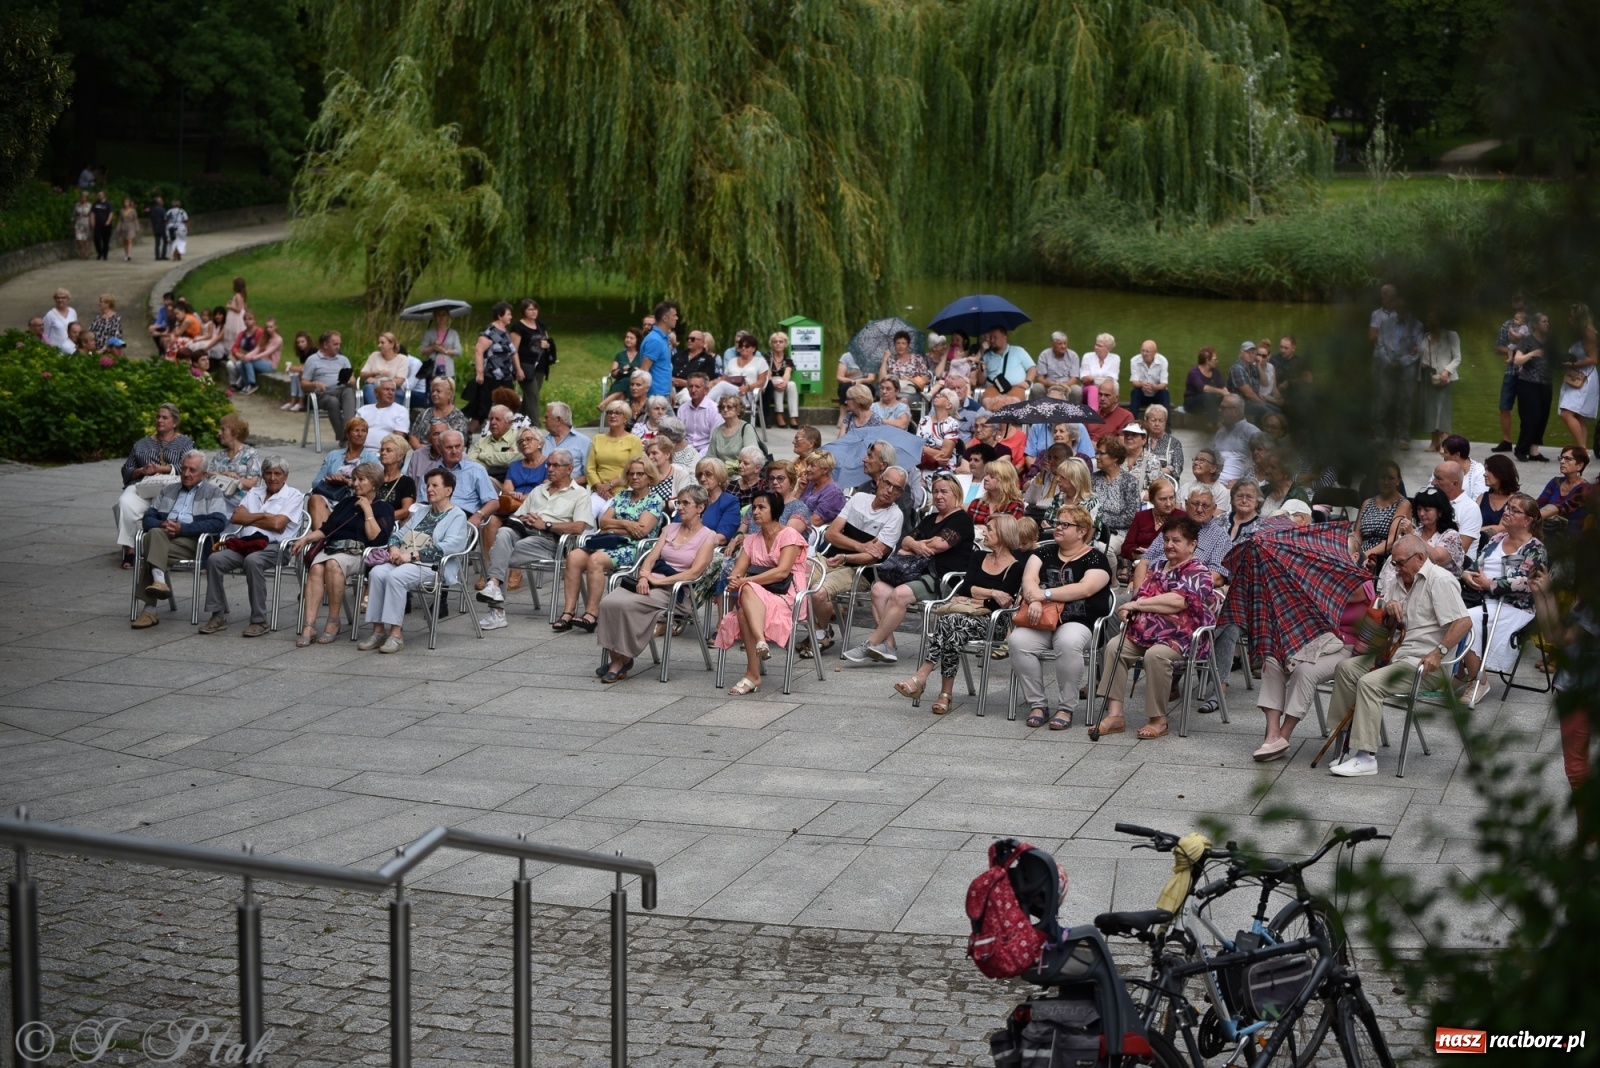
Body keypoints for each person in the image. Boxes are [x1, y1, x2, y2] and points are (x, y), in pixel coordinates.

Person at [1327, 534, 1471, 777]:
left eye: (1400, 563)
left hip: (1425, 665)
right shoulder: (1397, 579)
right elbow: (1385, 625)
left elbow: (1463, 622)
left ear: (1420, 558)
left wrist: (1439, 653)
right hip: (1395, 656)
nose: (1396, 568)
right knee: (1346, 668)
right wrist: (1389, 609)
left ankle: (1365, 756)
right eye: (1394, 562)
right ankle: (1343, 739)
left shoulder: (1440, 580)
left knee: (1369, 683)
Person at [1094, 515, 1216, 739]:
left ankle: (1158, 719)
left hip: (1182, 638)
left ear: (1192, 545)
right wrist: (1128, 610)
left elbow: (1178, 601)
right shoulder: (1159, 566)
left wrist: (1138, 604)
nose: (1169, 545)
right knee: (1113, 647)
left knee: (1156, 656)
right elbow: (1142, 595)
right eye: (1166, 540)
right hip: (1145, 633)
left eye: (1176, 541)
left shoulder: (1199, 572)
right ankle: (1115, 715)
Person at [893, 514, 1026, 714]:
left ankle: (923, 678)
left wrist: (979, 597)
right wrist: (991, 593)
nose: (984, 532)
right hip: (964, 619)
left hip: (994, 623)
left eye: (989, 529)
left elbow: (1002, 603)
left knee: (949, 622)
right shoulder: (978, 556)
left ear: (1004, 534)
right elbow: (967, 588)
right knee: (953, 631)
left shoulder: (1016, 567)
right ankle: (944, 695)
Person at [593, 485, 721, 680]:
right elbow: (651, 558)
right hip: (651, 582)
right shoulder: (670, 529)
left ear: (700, 508)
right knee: (608, 603)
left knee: (626, 605)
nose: (680, 507)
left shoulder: (708, 536)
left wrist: (659, 581)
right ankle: (619, 657)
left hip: (677, 590)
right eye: (679, 502)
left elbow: (694, 572)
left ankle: (620, 661)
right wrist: (644, 576)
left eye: (686, 503)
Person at [845, 473, 975, 664]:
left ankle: (871, 643)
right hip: (916, 573)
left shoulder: (961, 519)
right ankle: (888, 645)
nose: (938, 496)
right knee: (878, 589)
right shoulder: (930, 518)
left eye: (944, 492)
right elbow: (905, 541)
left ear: (956, 493)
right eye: (935, 491)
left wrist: (914, 546)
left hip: (942, 579)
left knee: (899, 594)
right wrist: (916, 546)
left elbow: (939, 545)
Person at [1012, 506, 1115, 729]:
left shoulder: (1096, 558)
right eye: (1058, 522)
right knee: (1018, 641)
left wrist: (1045, 594)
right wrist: (1036, 599)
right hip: (1042, 619)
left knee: (1067, 642)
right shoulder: (1042, 553)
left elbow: (1085, 589)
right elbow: (1029, 580)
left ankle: (1066, 707)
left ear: (1082, 531)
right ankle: (1037, 704)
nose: (1058, 527)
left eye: (1065, 524)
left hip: (1080, 620)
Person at [1253, 582, 1375, 761]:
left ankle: (1284, 737)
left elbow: (1337, 596)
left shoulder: (1361, 583)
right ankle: (1273, 734)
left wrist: (1307, 584)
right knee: (1272, 661)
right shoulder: (1313, 577)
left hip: (1347, 647)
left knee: (1304, 671)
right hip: (1315, 642)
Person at [356, 469, 471, 654]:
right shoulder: (423, 510)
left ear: (448, 490)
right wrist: (393, 548)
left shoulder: (457, 515)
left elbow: (449, 547)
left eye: (435, 485)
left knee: (396, 577)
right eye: (428, 485)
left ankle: (396, 635)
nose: (430, 489)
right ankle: (378, 631)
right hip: (405, 559)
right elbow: (399, 533)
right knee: (377, 573)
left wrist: (413, 556)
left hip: (433, 565)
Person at [475, 450, 595, 628]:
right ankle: (493, 585)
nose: (550, 469)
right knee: (503, 533)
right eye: (549, 464)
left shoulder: (580, 494)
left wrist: (545, 525)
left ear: (569, 469)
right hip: (525, 532)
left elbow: (579, 527)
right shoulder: (539, 490)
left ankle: (496, 610)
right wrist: (526, 520)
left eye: (556, 465)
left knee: (497, 553)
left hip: (552, 541)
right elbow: (518, 516)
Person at [1455, 493, 1547, 705]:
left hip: (1516, 606)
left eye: (1515, 510)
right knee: (1455, 615)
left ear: (1528, 520)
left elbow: (1528, 583)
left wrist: (1491, 584)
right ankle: (1462, 675)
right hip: (1484, 600)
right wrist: (1467, 575)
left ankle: (1479, 681)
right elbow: (1476, 565)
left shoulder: (1534, 549)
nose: (1507, 512)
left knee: (1466, 620)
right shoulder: (1496, 539)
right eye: (1508, 507)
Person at [715, 491, 812, 694]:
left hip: (788, 596)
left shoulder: (789, 535)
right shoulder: (751, 540)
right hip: (759, 596)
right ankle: (756, 660)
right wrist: (735, 580)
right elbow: (736, 573)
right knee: (744, 604)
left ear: (774, 510)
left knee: (747, 592)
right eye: (754, 507)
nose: (755, 512)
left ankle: (753, 672)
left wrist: (746, 580)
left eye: (761, 507)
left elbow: (782, 571)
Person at [199, 458, 305, 637]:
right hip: (245, 544)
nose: (272, 478)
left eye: (277, 474)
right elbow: (236, 518)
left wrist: (252, 517)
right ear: (263, 475)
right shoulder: (254, 492)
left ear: (285, 476)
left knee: (253, 561)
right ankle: (217, 615)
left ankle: (259, 620)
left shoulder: (294, 495)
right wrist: (265, 517)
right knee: (215, 559)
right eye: (268, 473)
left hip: (275, 547)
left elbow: (279, 523)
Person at [556, 459, 663, 632]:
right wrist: (627, 524)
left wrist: (614, 527)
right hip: (610, 542)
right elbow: (603, 522)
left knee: (596, 560)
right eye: (631, 473)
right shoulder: (621, 496)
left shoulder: (654, 500)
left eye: (640, 473)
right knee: (573, 557)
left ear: (649, 477)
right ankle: (568, 612)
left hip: (636, 548)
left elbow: (641, 532)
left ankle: (591, 614)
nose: (635, 477)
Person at [808, 469, 908, 649]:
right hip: (830, 557)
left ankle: (821, 632)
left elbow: (872, 556)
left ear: (900, 493)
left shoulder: (895, 516)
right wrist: (860, 545)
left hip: (859, 571)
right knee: (797, 579)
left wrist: (846, 555)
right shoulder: (858, 499)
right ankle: (822, 631)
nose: (889, 490)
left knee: (818, 592)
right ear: (879, 480)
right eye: (887, 483)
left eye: (896, 488)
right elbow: (830, 535)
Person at [129, 452, 231, 629]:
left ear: (204, 474)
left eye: (192, 470)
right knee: (154, 534)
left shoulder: (213, 492)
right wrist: (163, 523)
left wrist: (183, 528)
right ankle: (158, 582)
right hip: (164, 537)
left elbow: (218, 523)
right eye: (184, 468)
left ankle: (149, 609)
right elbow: (147, 518)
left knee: (152, 547)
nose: (186, 473)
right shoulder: (169, 489)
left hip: (194, 542)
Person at [115, 403, 196, 568]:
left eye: (165, 417)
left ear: (174, 423)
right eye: (158, 417)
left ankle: (167, 550)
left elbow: (192, 466)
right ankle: (129, 550)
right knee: (123, 504)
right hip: (143, 486)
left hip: (172, 490)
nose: (160, 420)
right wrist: (141, 470)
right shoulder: (142, 444)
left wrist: (163, 469)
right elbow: (126, 470)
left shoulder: (185, 443)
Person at [1377, 487, 1463, 592]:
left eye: (1427, 510)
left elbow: (1437, 559)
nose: (1421, 513)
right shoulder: (1417, 531)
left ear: (1440, 512)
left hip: (1439, 589)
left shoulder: (1451, 535)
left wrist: (1413, 534)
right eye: (1419, 509)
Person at [1373, 296, 1423, 448]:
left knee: (1405, 404)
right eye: (1398, 308)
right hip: (1387, 370)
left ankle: (1404, 438)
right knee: (1384, 402)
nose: (1400, 311)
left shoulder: (1417, 325)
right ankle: (1382, 436)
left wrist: (1400, 363)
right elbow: (1380, 345)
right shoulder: (1386, 324)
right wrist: (1388, 362)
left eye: (1404, 308)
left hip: (1406, 372)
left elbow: (1418, 350)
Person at [466, 302, 521, 431]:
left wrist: (518, 369)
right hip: (492, 375)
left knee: (509, 404)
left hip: (506, 375)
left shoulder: (505, 332)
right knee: (483, 408)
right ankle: (467, 433)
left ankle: (506, 432)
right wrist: (479, 372)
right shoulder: (489, 331)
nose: (511, 317)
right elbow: (479, 350)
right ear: (500, 315)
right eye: (508, 314)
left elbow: (513, 351)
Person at [1512, 311, 1555, 463]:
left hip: (1546, 384)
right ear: (1535, 324)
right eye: (1544, 321)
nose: (1547, 324)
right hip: (1528, 384)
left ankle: (1534, 451)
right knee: (1531, 417)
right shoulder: (1527, 340)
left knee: (1543, 417)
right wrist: (1532, 354)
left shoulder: (1550, 342)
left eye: (1548, 321)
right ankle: (1521, 449)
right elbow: (1517, 360)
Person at [301, 331, 357, 444]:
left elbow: (353, 380)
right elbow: (303, 384)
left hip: (340, 390)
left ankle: (349, 433)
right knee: (332, 401)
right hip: (322, 395)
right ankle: (344, 438)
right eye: (335, 344)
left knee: (349, 391)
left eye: (339, 344)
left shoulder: (343, 360)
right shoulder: (313, 360)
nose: (338, 347)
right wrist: (315, 384)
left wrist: (349, 381)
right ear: (326, 345)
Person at [1492, 294, 1530, 453]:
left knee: (1527, 408)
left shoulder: (1533, 325)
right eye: (1515, 309)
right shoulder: (1508, 324)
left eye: (1520, 309)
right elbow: (1497, 347)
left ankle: (1526, 440)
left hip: (1528, 372)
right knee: (1504, 405)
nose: (1517, 312)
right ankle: (1506, 439)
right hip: (1511, 370)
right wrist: (1509, 351)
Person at [1558, 303, 1598, 448]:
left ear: (1579, 317)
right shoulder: (1577, 334)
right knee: (1578, 416)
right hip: (1575, 376)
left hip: (1585, 377)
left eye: (1572, 316)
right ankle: (1582, 448)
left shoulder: (1588, 333)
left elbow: (1593, 359)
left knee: (1566, 413)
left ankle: (1581, 450)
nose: (1569, 319)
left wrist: (1573, 365)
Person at [1417, 322, 1462, 453]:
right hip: (1427, 374)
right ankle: (1434, 442)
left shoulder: (1451, 335)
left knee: (1443, 408)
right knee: (1430, 408)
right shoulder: (1425, 336)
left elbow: (1457, 358)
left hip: (1443, 375)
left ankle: (1445, 442)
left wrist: (1447, 371)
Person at [206, 414, 261, 511]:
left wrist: (233, 480)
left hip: (240, 504)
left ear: (236, 433)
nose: (219, 433)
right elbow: (207, 476)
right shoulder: (220, 455)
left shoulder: (250, 454)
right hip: (216, 500)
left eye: (223, 430)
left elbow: (252, 483)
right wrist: (225, 475)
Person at [510, 298, 553, 421]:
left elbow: (547, 341)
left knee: (530, 396)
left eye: (535, 309)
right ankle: (536, 426)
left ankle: (517, 419)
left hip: (540, 365)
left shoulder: (540, 325)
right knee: (533, 396)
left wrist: (547, 345)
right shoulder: (518, 327)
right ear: (524, 311)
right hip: (525, 365)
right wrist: (518, 369)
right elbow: (514, 350)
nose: (533, 312)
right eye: (530, 309)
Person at [1121, 478, 1181, 567]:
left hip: (1169, 566)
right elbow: (1126, 547)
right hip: (1140, 565)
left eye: (1171, 498)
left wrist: (1152, 554)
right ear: (1152, 500)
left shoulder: (1181, 518)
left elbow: (1185, 549)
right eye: (1163, 499)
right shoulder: (1141, 516)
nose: (1169, 503)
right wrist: (1136, 553)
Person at [1090, 438, 1139, 544]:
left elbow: (1131, 517)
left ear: (1115, 457)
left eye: (1102, 454)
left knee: (1102, 548)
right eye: (1096, 453)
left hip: (1119, 532)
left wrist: (1099, 519)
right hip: (1092, 530)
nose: (1097, 457)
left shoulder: (1129, 481)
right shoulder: (1092, 479)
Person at [1536, 445, 1591, 536]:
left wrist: (1528, 519)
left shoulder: (1585, 489)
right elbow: (1540, 503)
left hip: (1571, 535)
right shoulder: (1555, 482)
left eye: (1568, 459)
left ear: (1580, 466)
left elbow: (1560, 509)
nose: (1562, 462)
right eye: (1561, 458)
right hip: (1548, 526)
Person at [978, 327, 1033, 411]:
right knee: (987, 403)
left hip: (1016, 387)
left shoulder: (1018, 351)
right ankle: (992, 422)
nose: (992, 340)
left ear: (1004, 338)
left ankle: (1008, 422)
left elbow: (1032, 368)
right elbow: (980, 381)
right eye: (991, 337)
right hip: (993, 387)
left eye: (995, 337)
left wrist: (1028, 381)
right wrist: (981, 367)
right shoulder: (986, 356)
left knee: (1012, 404)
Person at [408, 376, 471, 450]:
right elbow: (413, 436)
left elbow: (460, 443)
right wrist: (420, 449)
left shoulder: (458, 416)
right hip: (424, 455)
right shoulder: (424, 414)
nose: (434, 394)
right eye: (433, 391)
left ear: (449, 394)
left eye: (438, 391)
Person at [1211, 395, 1260, 487]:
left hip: (1236, 486)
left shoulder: (1251, 432)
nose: (1219, 410)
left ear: (1235, 411)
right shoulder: (1220, 433)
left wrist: (1241, 483)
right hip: (1213, 482)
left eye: (1223, 408)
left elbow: (1262, 463)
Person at [229, 312, 279, 394]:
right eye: (267, 327)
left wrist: (250, 358)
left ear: (275, 327)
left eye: (271, 327)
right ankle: (246, 384)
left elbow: (266, 353)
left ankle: (252, 384)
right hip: (262, 361)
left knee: (247, 361)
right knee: (239, 364)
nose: (268, 329)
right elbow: (257, 349)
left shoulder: (278, 340)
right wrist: (246, 356)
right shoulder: (265, 337)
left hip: (271, 365)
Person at [375, 433, 418, 525]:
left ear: (400, 456)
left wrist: (381, 518)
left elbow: (405, 511)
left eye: (388, 450)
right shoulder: (374, 479)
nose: (383, 453)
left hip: (390, 525)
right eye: (382, 450)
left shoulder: (406, 482)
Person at [707, 394, 761, 467]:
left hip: (742, 472)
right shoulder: (717, 431)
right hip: (721, 474)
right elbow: (710, 457)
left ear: (738, 411)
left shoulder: (746, 428)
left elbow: (751, 456)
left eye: (729, 407)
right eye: (722, 407)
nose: (725, 410)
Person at [968, 458, 1025, 527]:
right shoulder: (976, 503)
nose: (985, 478)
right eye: (986, 474)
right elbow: (966, 529)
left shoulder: (1015, 506)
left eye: (992, 476)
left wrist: (985, 529)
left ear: (1005, 481)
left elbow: (1010, 534)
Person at [543, 401, 591, 483]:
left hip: (571, 492)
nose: (543, 420)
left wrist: (566, 484)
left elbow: (589, 475)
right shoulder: (541, 441)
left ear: (558, 420)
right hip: (542, 489)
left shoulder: (583, 442)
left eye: (546, 417)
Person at [917, 388, 962, 472]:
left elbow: (944, 455)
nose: (937, 395)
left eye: (942, 395)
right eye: (938, 394)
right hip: (923, 464)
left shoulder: (952, 424)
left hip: (942, 468)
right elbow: (916, 447)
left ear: (948, 405)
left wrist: (923, 449)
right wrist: (931, 455)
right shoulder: (924, 420)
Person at [1477, 453, 1520, 539]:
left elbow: (1502, 528)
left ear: (1501, 473)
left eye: (1489, 471)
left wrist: (1473, 532)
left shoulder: (1516, 500)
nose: (1484, 474)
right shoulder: (1482, 498)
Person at [359, 332, 410, 404]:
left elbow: (399, 381)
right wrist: (376, 372)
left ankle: (380, 413)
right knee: (369, 388)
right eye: (379, 343)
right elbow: (362, 375)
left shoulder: (402, 359)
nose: (379, 345)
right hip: (374, 388)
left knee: (394, 392)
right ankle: (376, 412)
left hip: (393, 389)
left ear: (392, 344)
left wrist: (376, 381)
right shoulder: (374, 355)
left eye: (382, 343)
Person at [799, 450, 846, 527]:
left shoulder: (833, 492)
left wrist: (792, 520)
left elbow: (815, 521)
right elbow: (789, 504)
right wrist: (799, 490)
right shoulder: (811, 483)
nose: (807, 469)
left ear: (825, 470)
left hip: (811, 531)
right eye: (807, 465)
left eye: (812, 466)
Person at [641, 301, 678, 398]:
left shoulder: (663, 338)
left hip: (663, 393)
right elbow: (645, 370)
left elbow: (665, 367)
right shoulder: (655, 340)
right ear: (665, 318)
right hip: (655, 396)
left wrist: (671, 389)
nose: (676, 318)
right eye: (674, 315)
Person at [1140, 405, 1184, 486]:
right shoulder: (1139, 441)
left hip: (1166, 486)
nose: (1157, 424)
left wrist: (1152, 471)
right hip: (1141, 485)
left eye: (1161, 421)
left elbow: (1177, 468)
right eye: (1153, 420)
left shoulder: (1175, 443)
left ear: (1165, 422)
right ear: (1146, 421)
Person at [1183, 346, 1229, 423]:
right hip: (1193, 403)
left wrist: (1226, 392)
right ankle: (1217, 423)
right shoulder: (1194, 372)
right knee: (1207, 396)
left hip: (1210, 402)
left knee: (1230, 397)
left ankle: (1233, 422)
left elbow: (1222, 386)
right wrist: (1221, 391)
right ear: (1207, 360)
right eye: (1215, 359)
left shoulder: (1215, 371)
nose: (1217, 361)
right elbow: (1203, 388)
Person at [419, 307, 463, 386]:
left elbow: (458, 351)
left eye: (444, 315)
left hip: (448, 369)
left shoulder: (453, 333)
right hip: (433, 369)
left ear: (447, 317)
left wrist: (444, 350)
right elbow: (422, 351)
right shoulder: (429, 333)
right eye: (438, 315)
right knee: (433, 393)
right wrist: (433, 347)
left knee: (447, 393)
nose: (441, 317)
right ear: (434, 317)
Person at [766, 332, 800, 428]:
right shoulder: (767, 357)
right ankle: (779, 414)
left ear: (785, 344)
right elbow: (768, 375)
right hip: (770, 383)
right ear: (771, 344)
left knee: (792, 384)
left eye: (781, 341)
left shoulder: (788, 359)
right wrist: (774, 383)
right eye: (775, 342)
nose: (778, 343)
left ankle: (793, 416)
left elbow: (787, 373)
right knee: (777, 381)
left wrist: (784, 383)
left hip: (783, 383)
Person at [1128, 340, 1170, 418]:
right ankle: (1132, 422)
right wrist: (1142, 385)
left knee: (1164, 393)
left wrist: (1154, 387)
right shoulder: (1134, 360)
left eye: (1147, 351)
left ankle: (1167, 426)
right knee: (1135, 392)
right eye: (1143, 351)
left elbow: (1164, 383)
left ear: (1154, 352)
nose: (1144, 354)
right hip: (1142, 393)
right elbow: (1134, 382)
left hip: (1157, 393)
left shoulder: (1163, 361)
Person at [1033, 332, 1080, 397]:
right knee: (1036, 387)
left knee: (1077, 390)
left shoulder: (1073, 356)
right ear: (1053, 345)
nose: (1063, 346)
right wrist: (1053, 385)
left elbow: (1074, 378)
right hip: (1048, 386)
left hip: (1067, 386)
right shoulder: (1044, 355)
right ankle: (1040, 406)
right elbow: (1040, 378)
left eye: (1065, 343)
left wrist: (1064, 385)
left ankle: (1075, 407)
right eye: (1060, 344)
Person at [606, 328, 646, 398]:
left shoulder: (642, 355)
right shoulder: (619, 355)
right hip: (619, 383)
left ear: (637, 340)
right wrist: (622, 370)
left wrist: (638, 371)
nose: (628, 340)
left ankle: (606, 402)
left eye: (631, 338)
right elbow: (613, 373)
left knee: (627, 381)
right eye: (627, 337)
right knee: (625, 381)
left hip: (636, 386)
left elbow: (646, 372)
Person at [280, 330, 314, 411]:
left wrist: (290, 367)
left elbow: (305, 368)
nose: (300, 344)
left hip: (313, 376)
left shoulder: (312, 352)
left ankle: (301, 402)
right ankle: (293, 401)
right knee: (294, 376)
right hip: (307, 374)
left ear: (308, 342)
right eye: (298, 342)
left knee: (300, 375)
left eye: (302, 342)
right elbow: (302, 366)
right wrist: (292, 369)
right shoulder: (303, 354)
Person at [42, 289, 76, 353]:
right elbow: (44, 334)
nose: (60, 300)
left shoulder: (72, 312)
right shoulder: (50, 315)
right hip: (56, 350)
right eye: (58, 298)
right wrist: (50, 347)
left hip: (71, 349)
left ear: (68, 299)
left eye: (63, 298)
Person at [89, 189, 115, 260]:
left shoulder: (108, 203)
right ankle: (100, 252)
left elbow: (111, 213)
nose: (99, 196)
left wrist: (108, 221)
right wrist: (92, 221)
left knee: (105, 240)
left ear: (104, 195)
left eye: (101, 195)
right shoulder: (96, 204)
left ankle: (105, 255)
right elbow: (92, 213)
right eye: (99, 195)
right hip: (97, 224)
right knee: (96, 239)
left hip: (106, 225)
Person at [147, 195, 168, 260]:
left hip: (155, 227)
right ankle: (163, 255)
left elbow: (150, 217)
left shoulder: (152, 209)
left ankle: (157, 256)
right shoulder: (162, 209)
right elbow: (165, 218)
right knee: (165, 241)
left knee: (157, 242)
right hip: (162, 227)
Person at [72, 192, 92, 259]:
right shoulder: (77, 205)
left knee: (86, 239)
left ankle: (86, 253)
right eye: (82, 197)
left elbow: (91, 215)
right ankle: (81, 252)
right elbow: (74, 214)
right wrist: (72, 221)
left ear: (86, 198)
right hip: (78, 222)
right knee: (78, 238)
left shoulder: (89, 205)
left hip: (86, 222)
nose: (83, 198)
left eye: (84, 197)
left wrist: (92, 222)